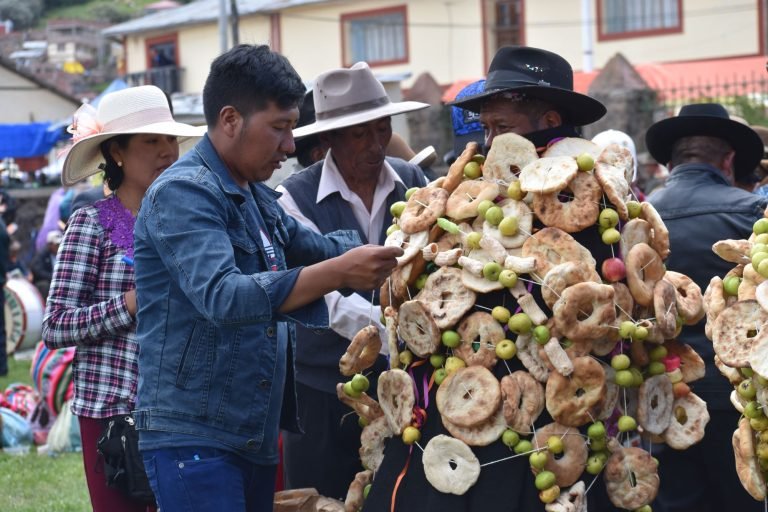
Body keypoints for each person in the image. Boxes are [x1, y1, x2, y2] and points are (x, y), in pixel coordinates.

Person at [131, 44, 402, 512]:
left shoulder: (253, 195)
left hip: (249, 431)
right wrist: (338, 272)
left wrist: (406, 246)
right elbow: (223, 296)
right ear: (231, 120)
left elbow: (319, 247)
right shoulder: (182, 192)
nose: (290, 146)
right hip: (195, 434)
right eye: (279, 128)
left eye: (291, 128)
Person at [363, 45, 616, 512]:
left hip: (542, 408)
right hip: (459, 388)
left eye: (503, 127)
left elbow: (596, 304)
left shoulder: (592, 198)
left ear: (549, 119)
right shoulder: (468, 191)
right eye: (486, 128)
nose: (488, 141)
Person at [41, 85, 202, 512]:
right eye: (151, 141)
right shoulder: (92, 224)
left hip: (179, 408)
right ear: (117, 153)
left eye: (170, 139)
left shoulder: (186, 222)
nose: (167, 151)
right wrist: (127, 306)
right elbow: (55, 324)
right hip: (111, 413)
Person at [275, 61, 429, 500]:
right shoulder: (293, 199)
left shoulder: (413, 182)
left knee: (397, 495)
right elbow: (318, 294)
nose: (375, 144)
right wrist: (390, 329)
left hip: (403, 385)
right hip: (321, 389)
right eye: (360, 134)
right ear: (329, 139)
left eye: (382, 129)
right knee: (322, 498)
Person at [646, 103, 768, 512]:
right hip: (738, 396)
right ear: (729, 160)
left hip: (664, 391)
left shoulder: (639, 218)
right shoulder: (752, 213)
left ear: (670, 162)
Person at [30, 229, 62, 300]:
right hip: (44, 281)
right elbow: (37, 270)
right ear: (50, 244)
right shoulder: (41, 254)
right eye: (56, 244)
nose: (59, 246)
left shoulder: (62, 254)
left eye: (60, 244)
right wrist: (53, 277)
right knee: (44, 286)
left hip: (57, 281)